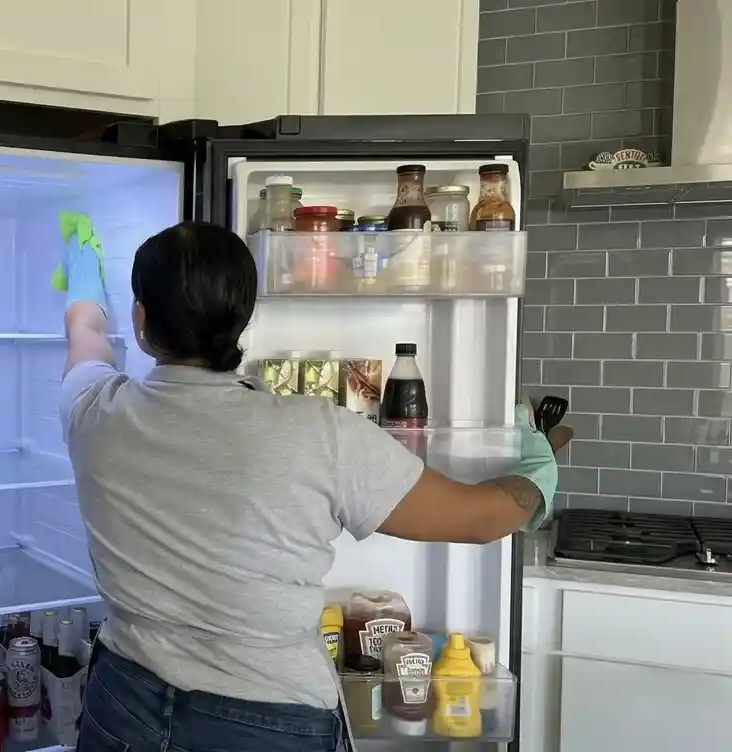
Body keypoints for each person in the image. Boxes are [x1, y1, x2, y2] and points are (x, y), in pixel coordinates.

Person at [58, 221, 555, 751]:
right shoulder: (319, 432)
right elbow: (480, 520)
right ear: (243, 318)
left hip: (123, 701)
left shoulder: (92, 410)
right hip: (264, 719)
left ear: (140, 321)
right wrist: (534, 475)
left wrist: (83, 275)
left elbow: (84, 334)